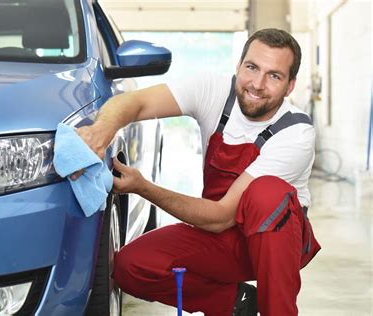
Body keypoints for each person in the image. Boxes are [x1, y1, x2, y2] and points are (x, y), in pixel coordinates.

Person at [76, 28, 321, 316]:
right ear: (239, 65)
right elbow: (135, 102)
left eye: (274, 76)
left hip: (272, 243)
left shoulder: (295, 133)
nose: (257, 83)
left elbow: (220, 217)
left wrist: (144, 188)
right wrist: (99, 133)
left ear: (290, 86)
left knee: (266, 193)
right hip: (221, 237)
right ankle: (235, 303)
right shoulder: (214, 90)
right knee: (132, 266)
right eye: (251, 67)